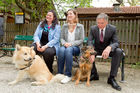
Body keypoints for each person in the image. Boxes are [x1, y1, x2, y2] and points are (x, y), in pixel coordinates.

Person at [88, 13, 123, 91]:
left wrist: (109, 47)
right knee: (88, 52)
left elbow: (116, 42)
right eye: (98, 23)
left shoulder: (112, 29)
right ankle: (94, 74)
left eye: (102, 23)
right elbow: (90, 41)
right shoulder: (93, 28)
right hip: (97, 49)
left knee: (118, 51)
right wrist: (92, 52)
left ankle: (111, 78)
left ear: (107, 22)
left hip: (108, 50)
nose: (99, 25)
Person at [57, 9, 85, 84]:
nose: (69, 15)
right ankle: (59, 73)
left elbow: (81, 40)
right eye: (68, 14)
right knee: (61, 50)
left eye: (71, 14)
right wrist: (64, 43)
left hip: (76, 47)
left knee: (68, 50)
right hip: (66, 46)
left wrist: (71, 44)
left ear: (75, 15)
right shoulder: (65, 26)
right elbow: (61, 38)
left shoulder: (80, 26)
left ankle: (68, 75)